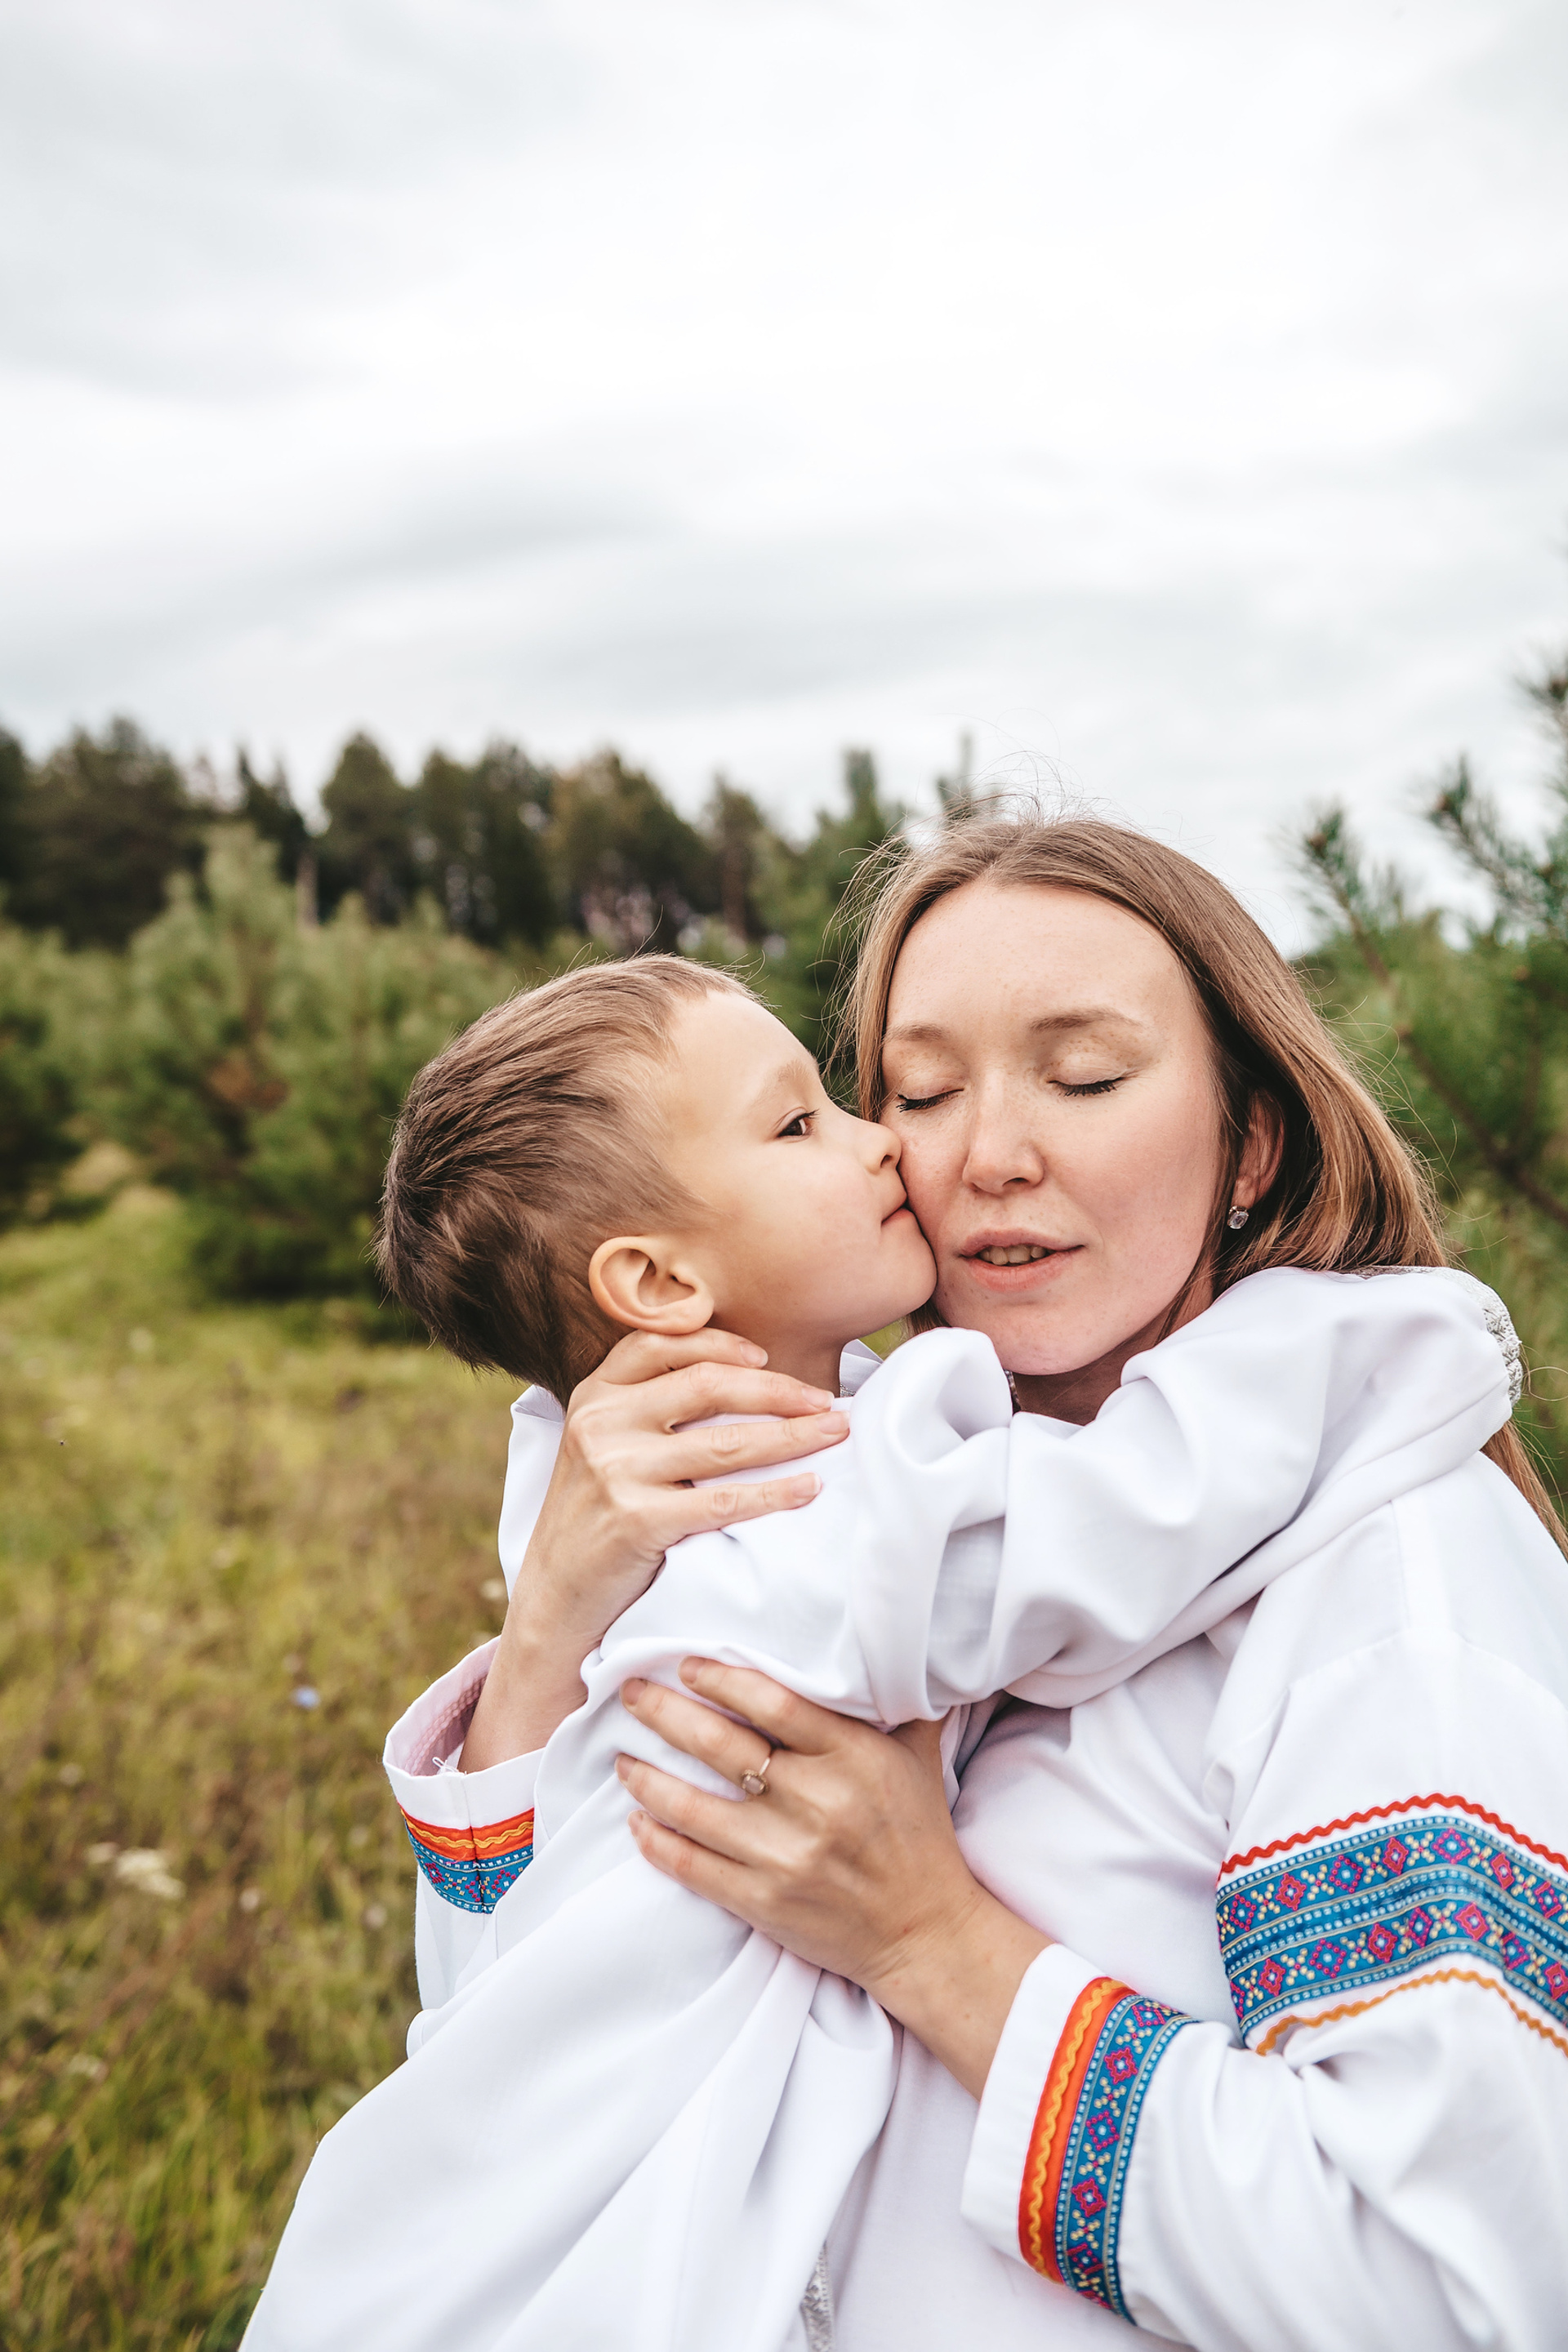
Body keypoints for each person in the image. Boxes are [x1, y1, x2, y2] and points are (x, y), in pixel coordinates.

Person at [376, 818, 1568, 2351]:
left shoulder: (1382, 1565)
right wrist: (544, 1644)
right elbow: (523, 2046)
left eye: (1083, 1078)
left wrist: (933, 1944)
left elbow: (1454, 2291)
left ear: (1249, 1145)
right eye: (916, 1092)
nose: (974, 1153)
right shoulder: (841, 1508)